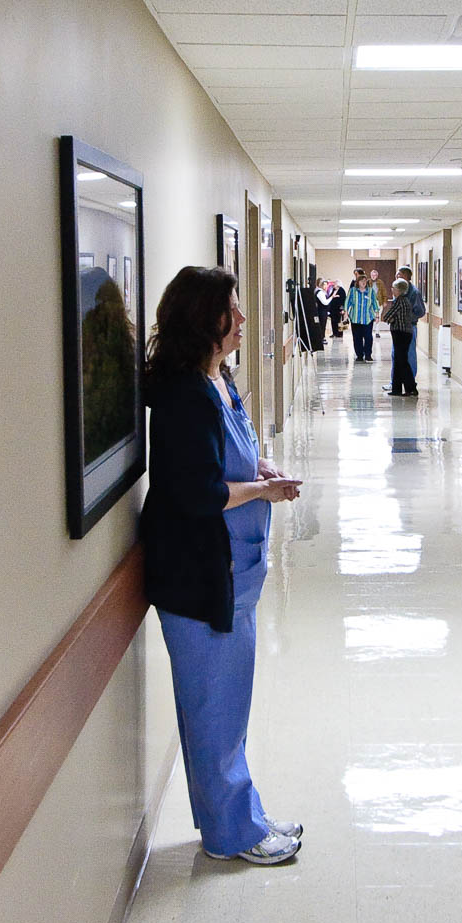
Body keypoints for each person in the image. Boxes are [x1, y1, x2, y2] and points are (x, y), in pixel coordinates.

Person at [141, 265, 306, 865]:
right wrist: (261, 493)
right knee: (213, 712)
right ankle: (231, 833)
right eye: (230, 310)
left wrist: (261, 471)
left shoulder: (221, 382)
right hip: (202, 580)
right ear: (201, 319)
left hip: (238, 575)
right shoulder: (185, 396)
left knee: (230, 706)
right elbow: (201, 492)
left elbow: (232, 459)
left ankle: (246, 816)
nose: (241, 319)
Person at [381, 277, 419, 396]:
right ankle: (396, 389)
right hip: (403, 332)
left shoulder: (400, 301)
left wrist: (391, 319)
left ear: (399, 290)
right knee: (398, 360)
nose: (392, 290)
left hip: (401, 333)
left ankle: (411, 388)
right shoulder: (402, 300)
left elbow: (387, 317)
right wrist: (392, 318)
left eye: (394, 288)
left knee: (402, 361)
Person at [395, 264, 426, 383]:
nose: (398, 277)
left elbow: (421, 311)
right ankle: (395, 382)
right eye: (397, 275)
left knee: (410, 354)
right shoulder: (398, 290)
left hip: (409, 327)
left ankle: (410, 381)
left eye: (400, 275)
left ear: (407, 276)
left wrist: (406, 317)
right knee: (396, 355)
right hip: (398, 328)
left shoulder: (414, 292)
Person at [345, 270, 379, 362]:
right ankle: (359, 355)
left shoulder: (370, 291)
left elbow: (375, 303)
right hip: (355, 318)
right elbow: (347, 302)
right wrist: (346, 312)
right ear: (358, 282)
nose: (363, 283)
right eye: (361, 281)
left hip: (367, 318)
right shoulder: (352, 291)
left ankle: (368, 355)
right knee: (357, 338)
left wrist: (377, 315)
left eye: (365, 281)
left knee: (368, 337)